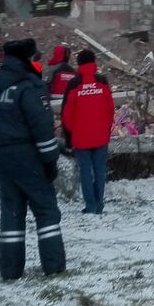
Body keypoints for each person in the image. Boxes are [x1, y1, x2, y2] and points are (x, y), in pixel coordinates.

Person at [0, 38, 65, 280]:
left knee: (11, 210)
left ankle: (10, 269)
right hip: (27, 154)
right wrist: (50, 161)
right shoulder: (29, 86)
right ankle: (54, 265)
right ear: (28, 59)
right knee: (46, 209)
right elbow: (42, 126)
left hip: (0, 153)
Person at [62, 50, 113, 215]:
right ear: (94, 62)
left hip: (81, 136)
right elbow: (110, 109)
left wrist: (72, 132)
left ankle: (90, 206)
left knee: (85, 171)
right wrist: (105, 127)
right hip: (100, 135)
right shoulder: (102, 81)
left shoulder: (74, 84)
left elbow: (66, 114)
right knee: (99, 170)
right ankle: (99, 205)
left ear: (79, 63)